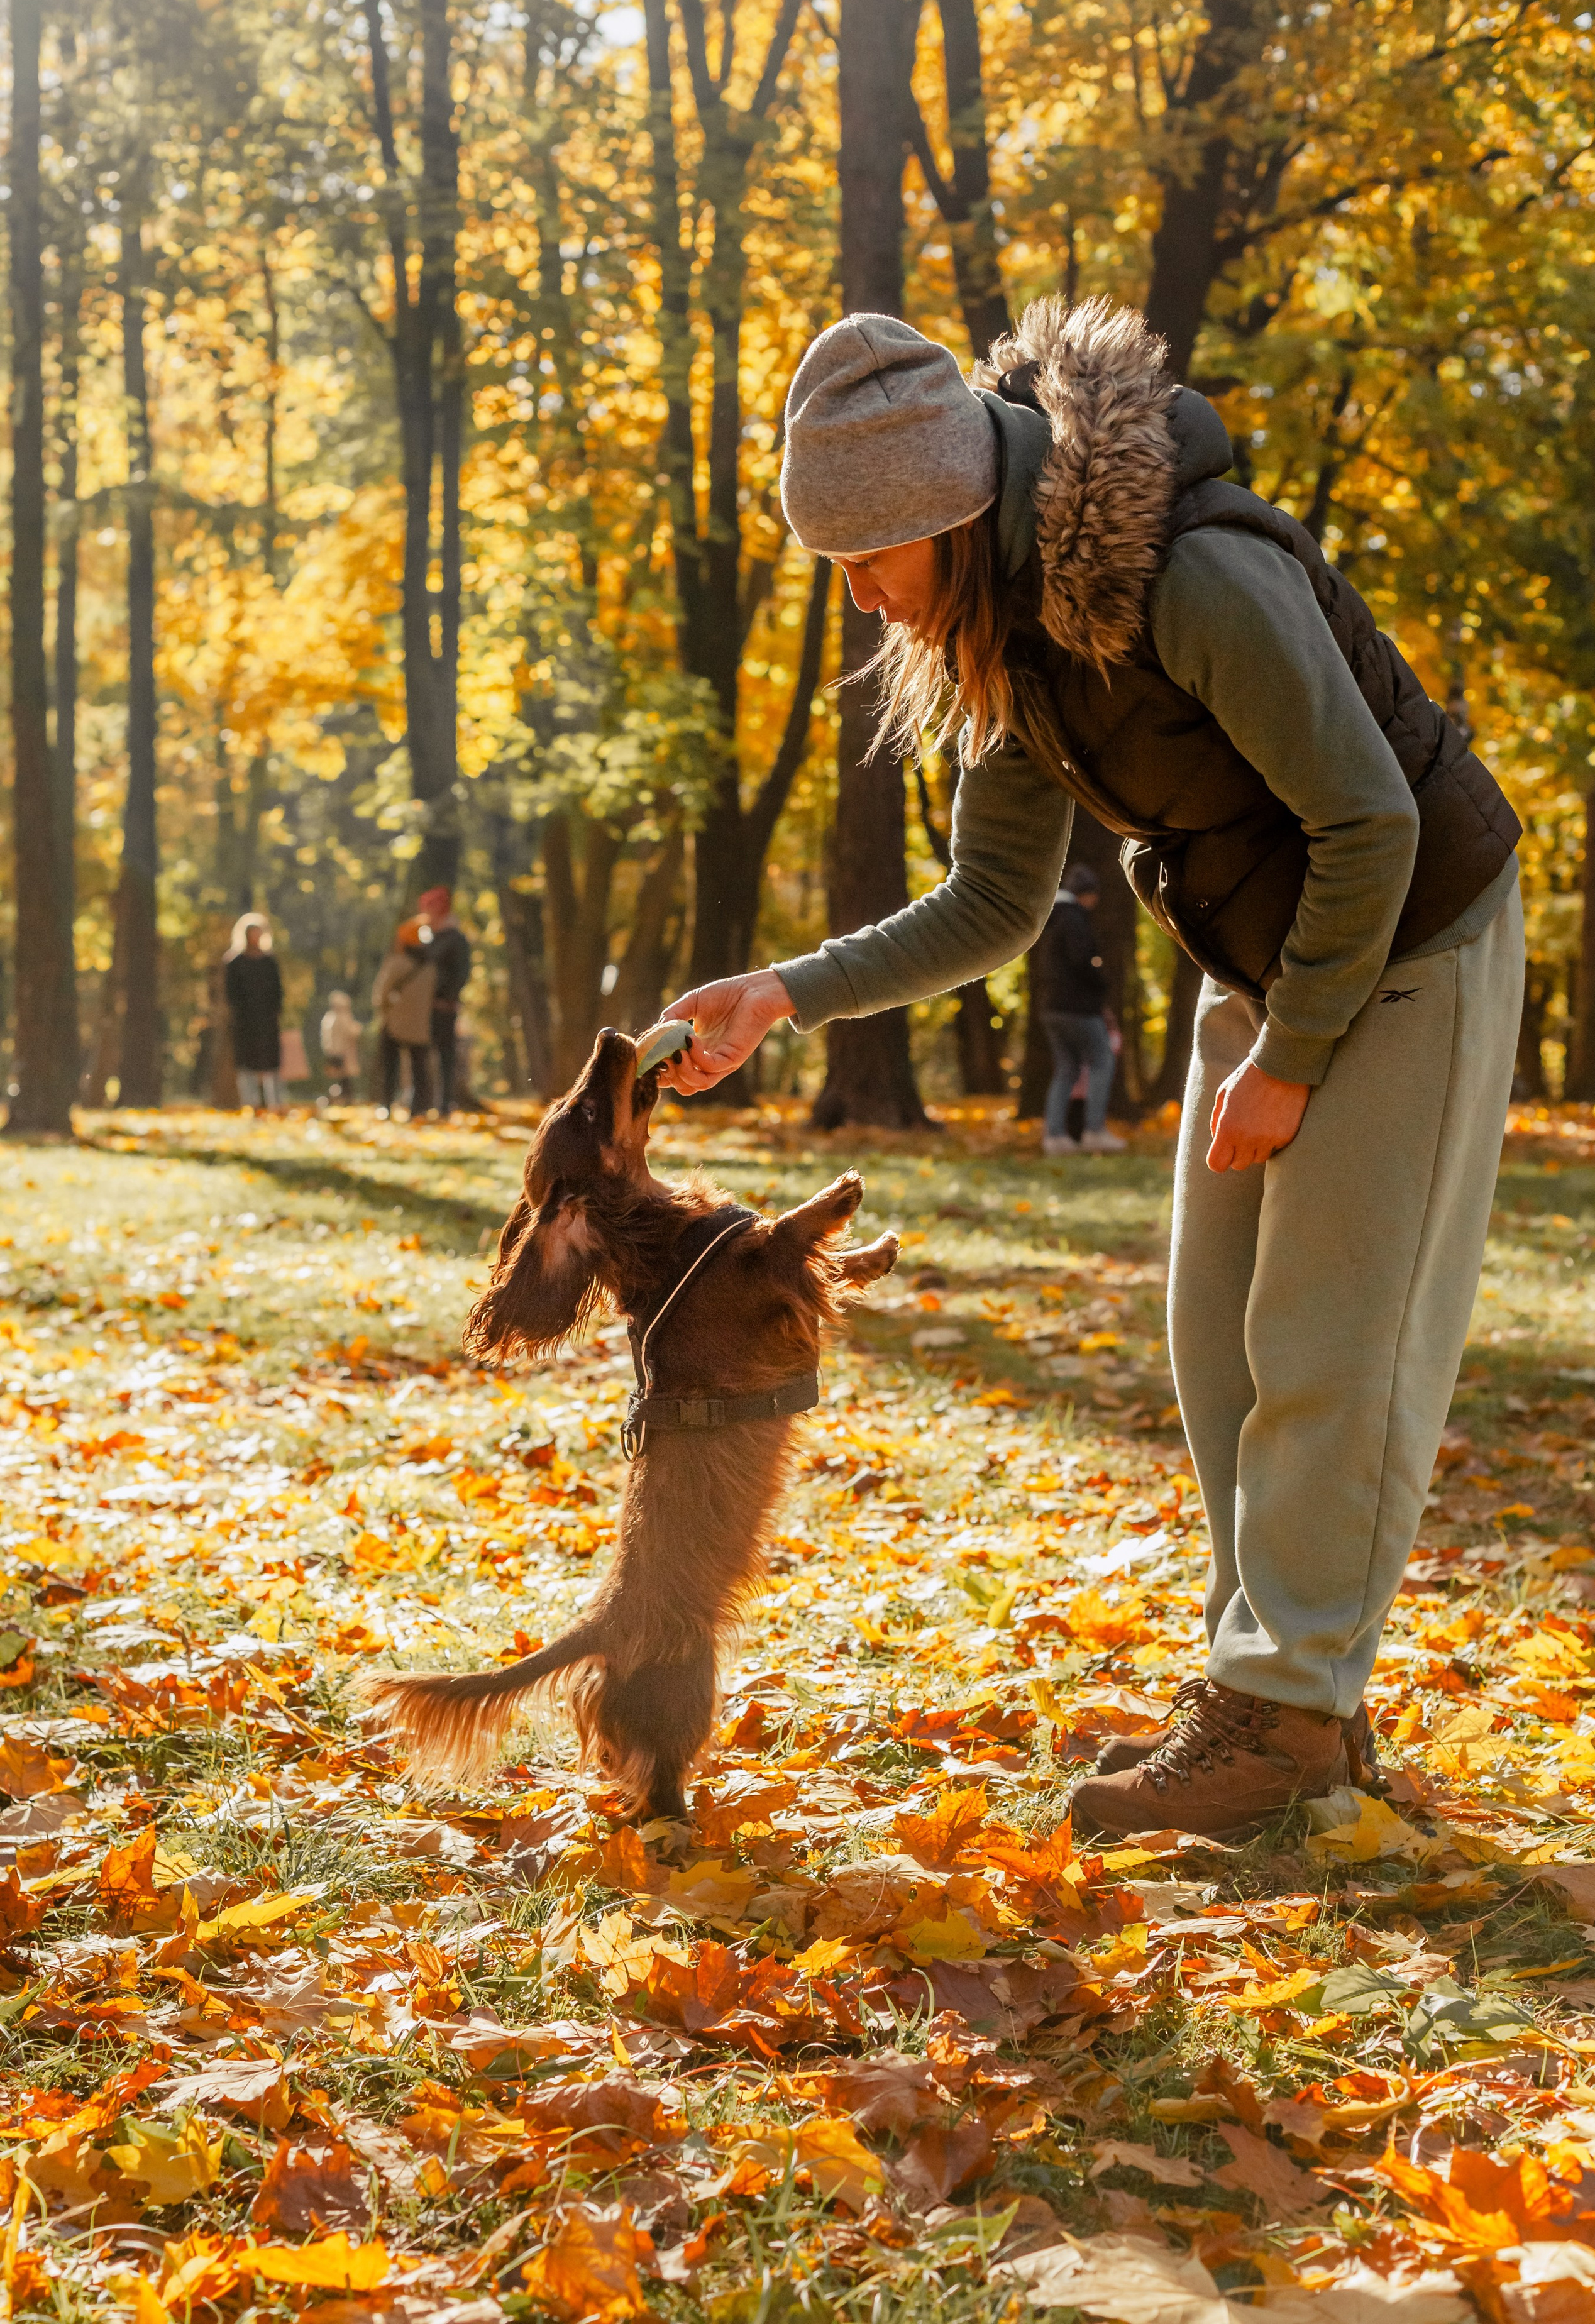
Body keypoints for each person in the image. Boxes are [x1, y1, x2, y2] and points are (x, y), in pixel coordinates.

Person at [657, 295, 1523, 1840]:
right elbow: (988, 904)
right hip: (1264, 957)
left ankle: (1287, 1715)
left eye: (868, 558)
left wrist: (1296, 1050)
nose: (859, 598)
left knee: (1334, 1341)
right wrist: (781, 993)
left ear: (951, 503)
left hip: (1408, 937)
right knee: (1216, 1343)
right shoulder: (1009, 636)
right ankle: (1263, 1687)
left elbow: (1367, 823)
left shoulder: (1188, 577)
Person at [1041, 862, 1122, 1155]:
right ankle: (1094, 1130)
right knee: (1103, 1060)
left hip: (1051, 1007)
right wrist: (1101, 984)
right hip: (1077, 1007)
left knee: (1066, 1069)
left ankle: (1054, 1137)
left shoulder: (1050, 919)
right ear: (1087, 894)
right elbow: (1082, 962)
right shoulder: (1075, 919)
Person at [372, 919, 435, 1118]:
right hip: (420, 1027)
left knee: (389, 1067)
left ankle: (386, 1105)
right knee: (419, 1071)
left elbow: (380, 995)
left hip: (394, 1024)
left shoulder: (396, 964)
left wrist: (386, 1010)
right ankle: (419, 1108)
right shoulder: (431, 970)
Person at [223, 913, 284, 1113]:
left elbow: (278, 992)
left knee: (271, 1064)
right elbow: (231, 994)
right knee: (246, 1064)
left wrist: (274, 1013)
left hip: (268, 1021)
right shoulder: (234, 963)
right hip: (244, 1022)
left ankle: (275, 1104)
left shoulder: (269, 962)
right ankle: (250, 1105)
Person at [419, 886, 472, 1116]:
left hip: (444, 1007)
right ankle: (419, 1102)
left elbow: (461, 973)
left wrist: (447, 997)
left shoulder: (455, 939)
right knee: (420, 1055)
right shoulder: (425, 937)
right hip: (421, 1009)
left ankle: (444, 1104)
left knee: (445, 1056)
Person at [319, 989, 364, 1103]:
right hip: (342, 1052)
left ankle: (336, 1097)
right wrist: (358, 1028)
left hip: (332, 1052)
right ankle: (345, 1098)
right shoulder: (342, 1017)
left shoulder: (328, 1018)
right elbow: (351, 1032)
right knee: (344, 1077)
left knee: (337, 1077)